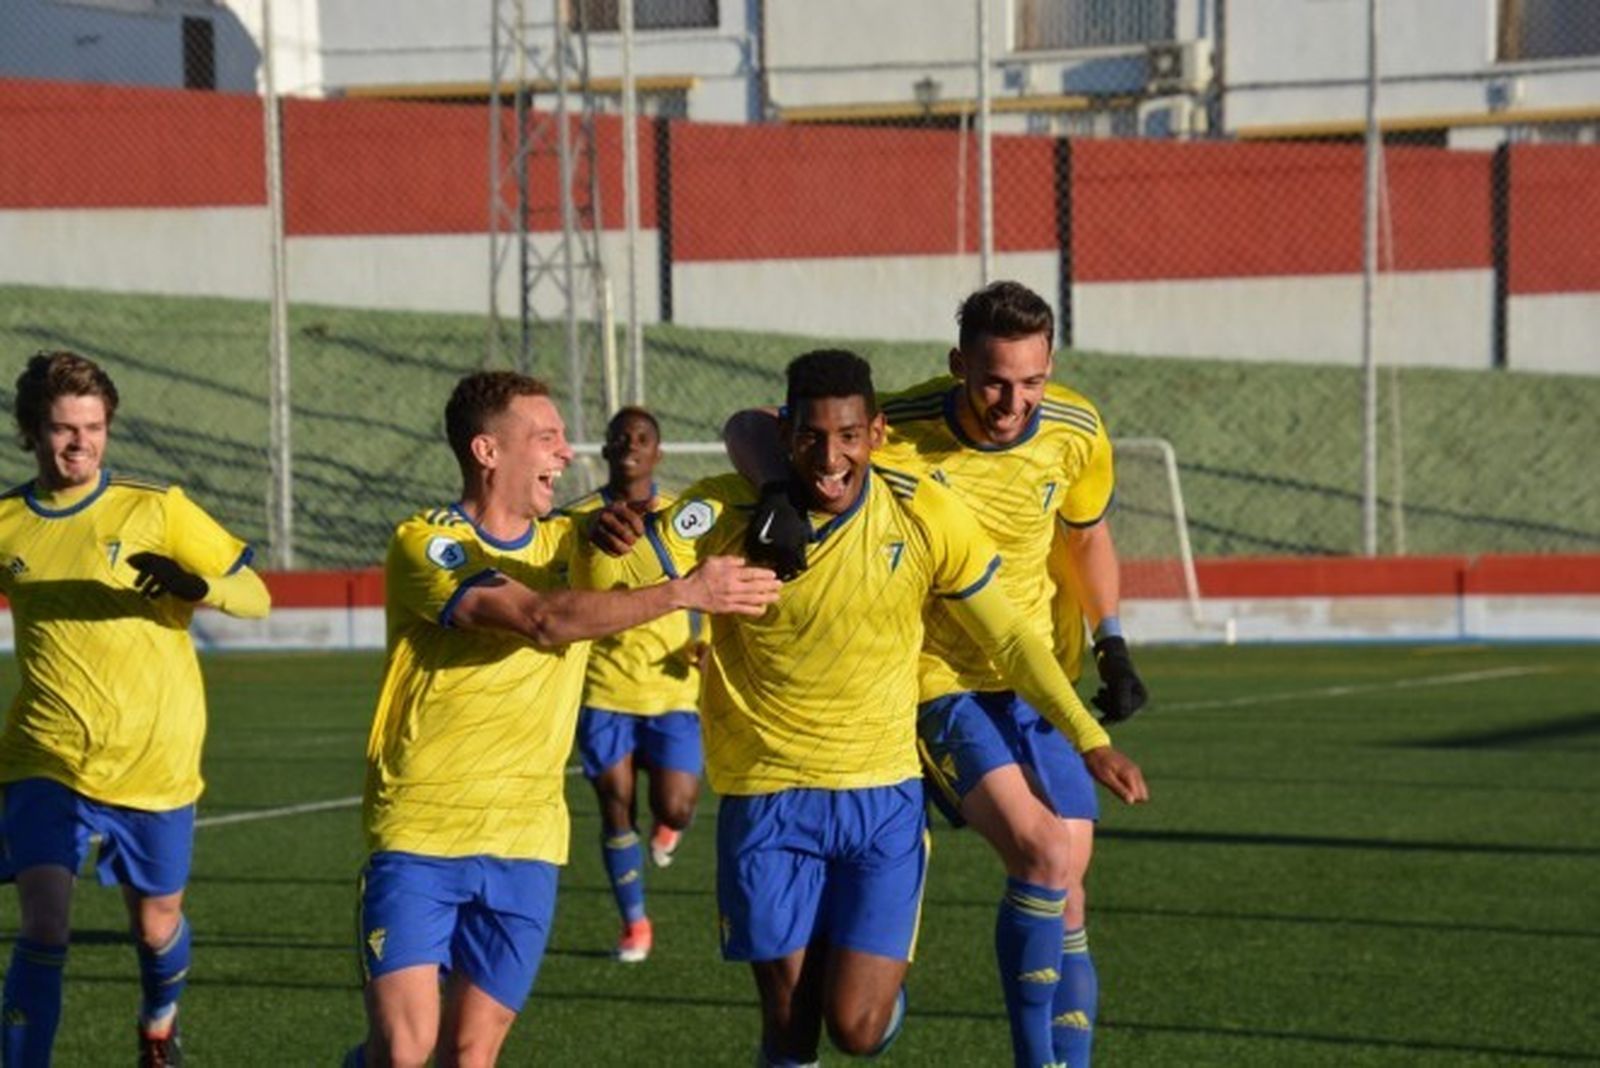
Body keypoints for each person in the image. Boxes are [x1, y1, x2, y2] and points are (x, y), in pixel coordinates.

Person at [583, 349, 1147, 1067]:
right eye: (813, 436)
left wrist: (1089, 735)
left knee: (856, 1028)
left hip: (880, 801)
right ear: (786, 434)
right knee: (789, 1024)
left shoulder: (922, 510)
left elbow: (1009, 634)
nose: (830, 456)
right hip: (768, 796)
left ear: (875, 433)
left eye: (848, 435)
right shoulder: (727, 508)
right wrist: (610, 544)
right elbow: (616, 575)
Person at [347, 371, 778, 1068]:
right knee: (403, 1050)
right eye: (546, 438)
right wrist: (684, 594)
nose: (566, 454)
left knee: (470, 1056)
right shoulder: (427, 542)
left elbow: (639, 535)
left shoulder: (574, 540)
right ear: (488, 452)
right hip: (420, 833)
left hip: (527, 843)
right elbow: (539, 620)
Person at [0, 350, 272, 1068]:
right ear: (31, 431)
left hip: (156, 760)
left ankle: (158, 1019)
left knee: (156, 928)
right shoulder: (6, 523)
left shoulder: (156, 506)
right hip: (46, 755)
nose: (80, 443)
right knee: (45, 925)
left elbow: (256, 596)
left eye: (93, 427)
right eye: (63, 429)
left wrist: (197, 583)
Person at [559, 406, 705, 963]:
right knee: (615, 807)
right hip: (604, 690)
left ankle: (670, 828)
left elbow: (707, 584)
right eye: (620, 435)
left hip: (671, 689)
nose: (629, 444)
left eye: (642, 437)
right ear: (606, 449)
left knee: (678, 807)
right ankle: (635, 923)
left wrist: (706, 643)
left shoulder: (684, 517)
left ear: (658, 453)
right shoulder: (576, 522)